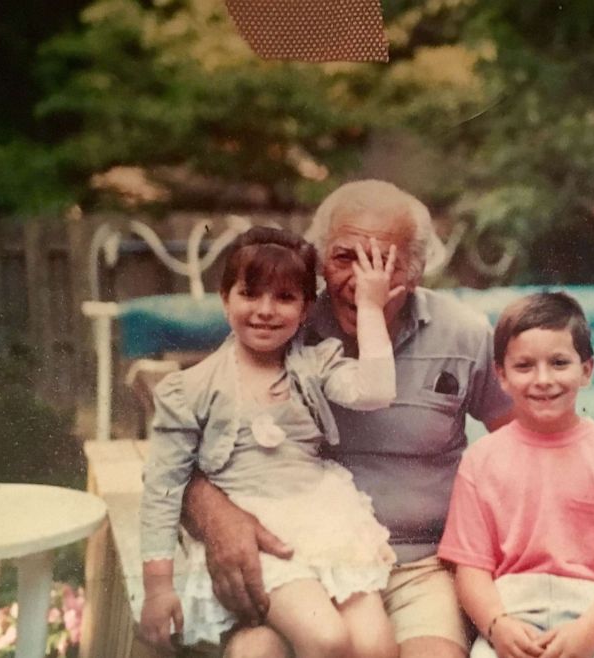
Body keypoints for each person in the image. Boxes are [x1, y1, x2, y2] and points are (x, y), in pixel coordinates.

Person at [181, 180, 514, 658]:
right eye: (343, 258)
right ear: (318, 262)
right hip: (300, 564)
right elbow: (183, 453)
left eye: (381, 262)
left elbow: (522, 443)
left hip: (420, 566)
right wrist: (218, 518)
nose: (360, 282)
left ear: (416, 273)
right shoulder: (287, 327)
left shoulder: (462, 334)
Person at [139, 226, 405, 658]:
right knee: (327, 640)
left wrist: (371, 308)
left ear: (305, 310)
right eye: (250, 294)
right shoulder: (190, 389)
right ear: (225, 299)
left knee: (376, 646)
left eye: (284, 298)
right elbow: (163, 488)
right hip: (258, 536)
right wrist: (157, 588)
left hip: (324, 520)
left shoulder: (315, 364)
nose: (265, 310)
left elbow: (375, 391)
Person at [437, 292, 594, 658]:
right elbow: (471, 568)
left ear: (586, 370)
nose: (543, 379)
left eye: (559, 363)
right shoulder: (481, 461)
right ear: (501, 375)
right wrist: (497, 625)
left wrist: (590, 632)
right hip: (515, 613)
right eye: (524, 366)